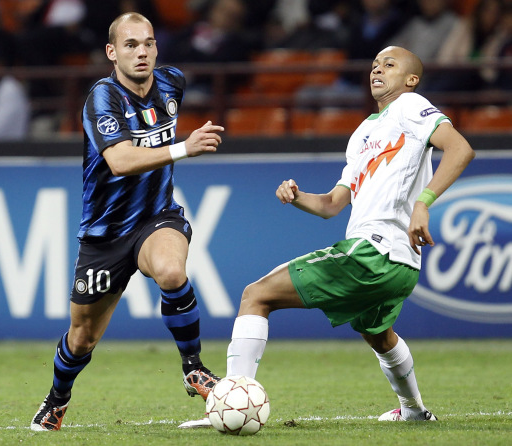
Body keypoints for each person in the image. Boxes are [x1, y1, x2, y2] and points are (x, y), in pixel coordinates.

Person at [181, 45, 475, 429]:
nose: (377, 70)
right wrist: (298, 196)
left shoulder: (409, 106)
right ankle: (414, 410)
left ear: (411, 79)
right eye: (374, 65)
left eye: (389, 65)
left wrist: (424, 203)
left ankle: (230, 400)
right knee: (378, 335)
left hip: (374, 252)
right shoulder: (363, 133)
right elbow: (332, 204)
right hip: (398, 265)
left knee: (256, 295)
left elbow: (460, 148)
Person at [30, 12, 224, 431]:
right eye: (131, 44)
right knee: (82, 337)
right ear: (111, 52)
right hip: (105, 233)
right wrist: (183, 148)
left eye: (148, 43)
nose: (142, 52)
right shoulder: (102, 98)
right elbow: (118, 161)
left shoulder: (172, 83)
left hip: (157, 217)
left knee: (171, 271)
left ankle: (193, 368)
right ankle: (57, 399)